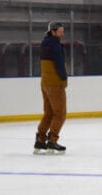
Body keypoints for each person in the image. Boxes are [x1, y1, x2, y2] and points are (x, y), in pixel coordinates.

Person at [34, 22, 68, 155]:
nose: (62, 34)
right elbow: (59, 64)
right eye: (60, 31)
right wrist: (64, 78)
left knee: (48, 113)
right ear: (53, 32)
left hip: (45, 83)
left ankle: (40, 140)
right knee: (60, 114)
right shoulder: (55, 45)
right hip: (55, 83)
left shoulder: (45, 43)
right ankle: (52, 141)